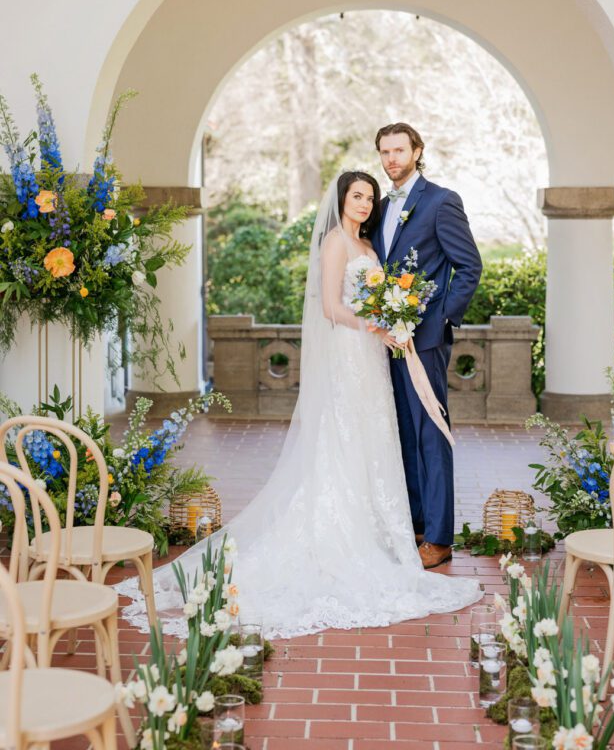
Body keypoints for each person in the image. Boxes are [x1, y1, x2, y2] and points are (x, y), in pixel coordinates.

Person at [116, 170, 482, 640]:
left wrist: (393, 318)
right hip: (354, 352)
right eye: (357, 196)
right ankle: (342, 533)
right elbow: (331, 307)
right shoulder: (336, 243)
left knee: (377, 439)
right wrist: (374, 324)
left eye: (370, 196)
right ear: (341, 199)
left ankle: (382, 529)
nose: (366, 203)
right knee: (345, 440)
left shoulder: (371, 248)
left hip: (375, 357)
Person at [374, 123, 482, 569]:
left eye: (399, 150)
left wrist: (436, 320)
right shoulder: (379, 207)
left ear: (417, 152)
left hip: (425, 342)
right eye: (384, 152)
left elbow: (468, 266)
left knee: (431, 435)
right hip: (385, 340)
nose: (391, 158)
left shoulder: (441, 201)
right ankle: (416, 525)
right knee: (401, 432)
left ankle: (439, 537)